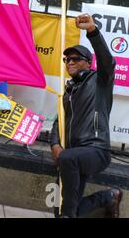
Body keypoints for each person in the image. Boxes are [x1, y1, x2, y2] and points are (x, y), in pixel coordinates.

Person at [50, 14, 123, 218]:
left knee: (67, 211)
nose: (70, 62)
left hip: (95, 150)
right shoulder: (69, 92)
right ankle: (108, 198)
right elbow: (59, 122)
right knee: (61, 210)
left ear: (88, 63)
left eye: (75, 59)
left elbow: (107, 61)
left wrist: (92, 31)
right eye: (67, 59)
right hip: (72, 156)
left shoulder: (100, 81)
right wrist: (55, 144)